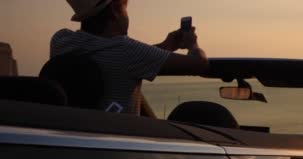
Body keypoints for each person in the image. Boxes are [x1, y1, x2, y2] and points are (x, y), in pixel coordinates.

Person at [51, 0, 209, 114]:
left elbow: (118, 54)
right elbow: (200, 64)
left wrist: (165, 46)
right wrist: (192, 44)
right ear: (115, 9)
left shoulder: (61, 41)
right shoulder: (126, 51)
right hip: (118, 148)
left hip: (77, 138)